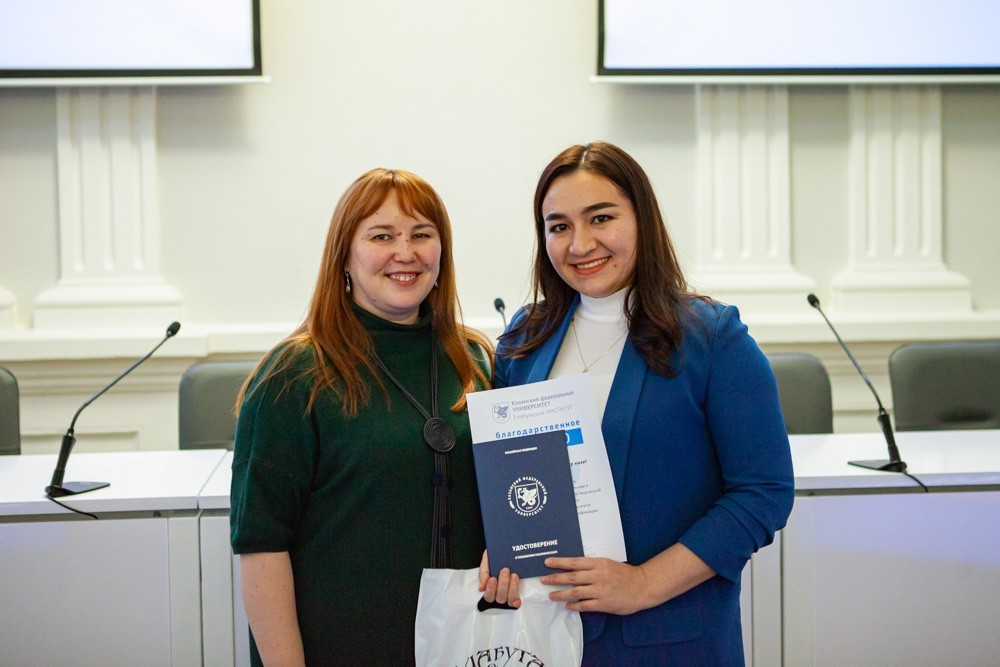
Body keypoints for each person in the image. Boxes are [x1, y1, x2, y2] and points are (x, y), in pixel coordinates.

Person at [494, 142, 794, 665]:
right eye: (559, 226)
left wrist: (644, 584)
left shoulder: (712, 339)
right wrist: (499, 549)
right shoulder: (525, 338)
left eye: (601, 218)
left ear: (642, 220)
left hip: (669, 638)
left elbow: (763, 493)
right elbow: (505, 480)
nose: (580, 243)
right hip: (545, 635)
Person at [230, 168, 494, 665]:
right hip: (339, 647)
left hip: (468, 646)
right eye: (382, 236)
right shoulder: (293, 375)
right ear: (344, 256)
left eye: (422, 234)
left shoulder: (475, 361)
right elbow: (262, 545)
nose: (405, 252)